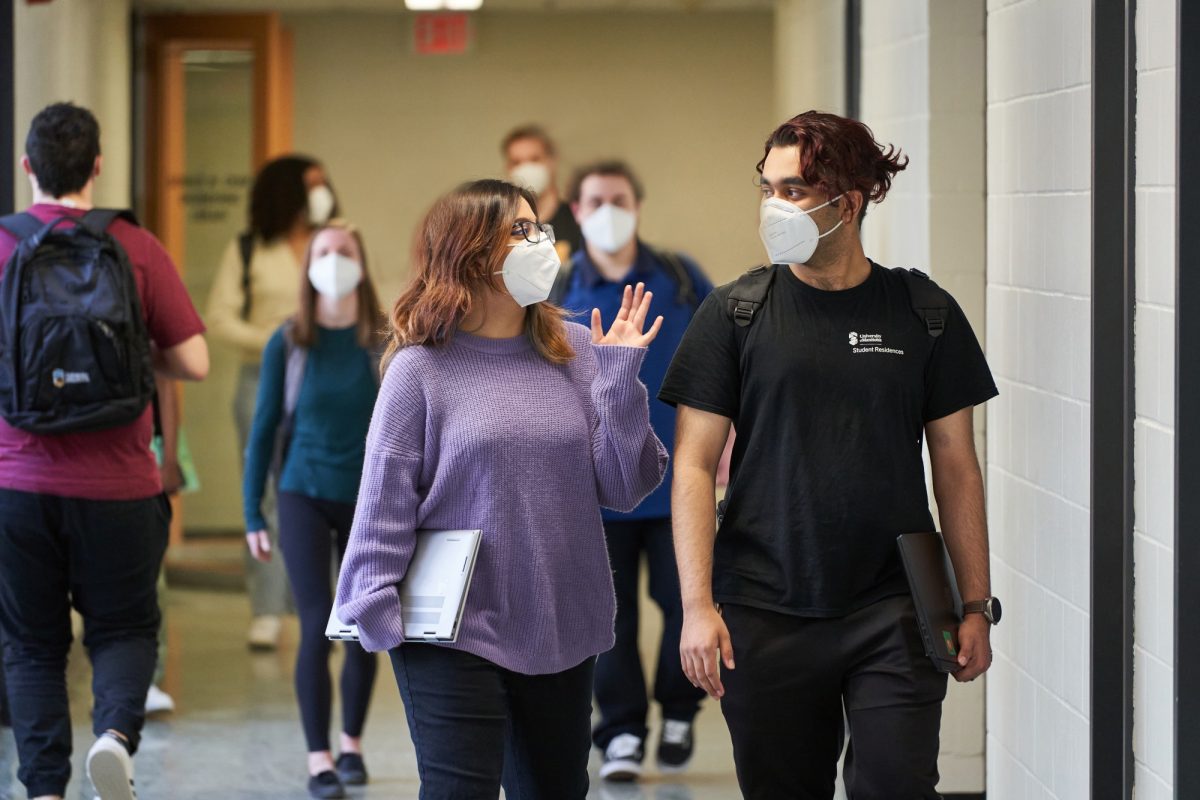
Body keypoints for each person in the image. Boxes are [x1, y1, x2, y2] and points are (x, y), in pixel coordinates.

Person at [659, 110, 1001, 800]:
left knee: (897, 785)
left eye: (792, 191)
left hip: (896, 605)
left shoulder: (925, 313)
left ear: (847, 203)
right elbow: (693, 466)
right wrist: (698, 606)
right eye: (767, 188)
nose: (772, 205)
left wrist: (974, 604)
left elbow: (957, 468)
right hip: (764, 606)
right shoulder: (735, 313)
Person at [334, 179, 667, 800]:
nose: (541, 241)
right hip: (452, 628)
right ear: (470, 252)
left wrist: (621, 381)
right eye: (521, 230)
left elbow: (627, 487)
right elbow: (384, 502)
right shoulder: (420, 369)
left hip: (559, 622)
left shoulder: (582, 350)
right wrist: (375, 609)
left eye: (539, 228)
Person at [0, 103, 209, 800]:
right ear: (97, 166)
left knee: (32, 647)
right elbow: (196, 361)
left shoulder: (2, 247)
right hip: (120, 485)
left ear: (27, 167)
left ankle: (44, 790)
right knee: (123, 628)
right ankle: (115, 737)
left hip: (18, 487)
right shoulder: (135, 247)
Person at [556, 160, 711, 781]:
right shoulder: (561, 287)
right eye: (594, 200)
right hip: (598, 486)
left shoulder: (678, 277)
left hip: (679, 479)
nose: (608, 210)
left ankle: (680, 706)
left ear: (638, 206)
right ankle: (620, 730)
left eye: (618, 198)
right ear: (576, 208)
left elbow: (721, 363)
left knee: (684, 601)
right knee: (610, 615)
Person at [243, 220, 384, 799]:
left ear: (361, 261)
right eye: (322, 252)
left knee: (362, 626)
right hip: (302, 493)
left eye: (343, 251)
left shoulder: (383, 340)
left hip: (368, 499)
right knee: (316, 628)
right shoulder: (289, 341)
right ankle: (319, 758)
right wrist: (253, 512)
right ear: (308, 266)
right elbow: (264, 428)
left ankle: (351, 745)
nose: (332, 261)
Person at [207, 155, 341, 650]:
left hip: (326, 383)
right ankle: (265, 610)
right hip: (261, 379)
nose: (321, 193)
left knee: (329, 487)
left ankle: (328, 608)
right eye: (311, 185)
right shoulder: (248, 249)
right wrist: (272, 337)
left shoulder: (337, 242)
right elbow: (218, 317)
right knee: (265, 490)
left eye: (324, 184)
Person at [502, 124, 582, 261]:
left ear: (552, 162)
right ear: (508, 169)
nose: (526, 168)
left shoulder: (579, 220)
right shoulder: (502, 229)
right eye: (517, 162)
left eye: (534, 159)